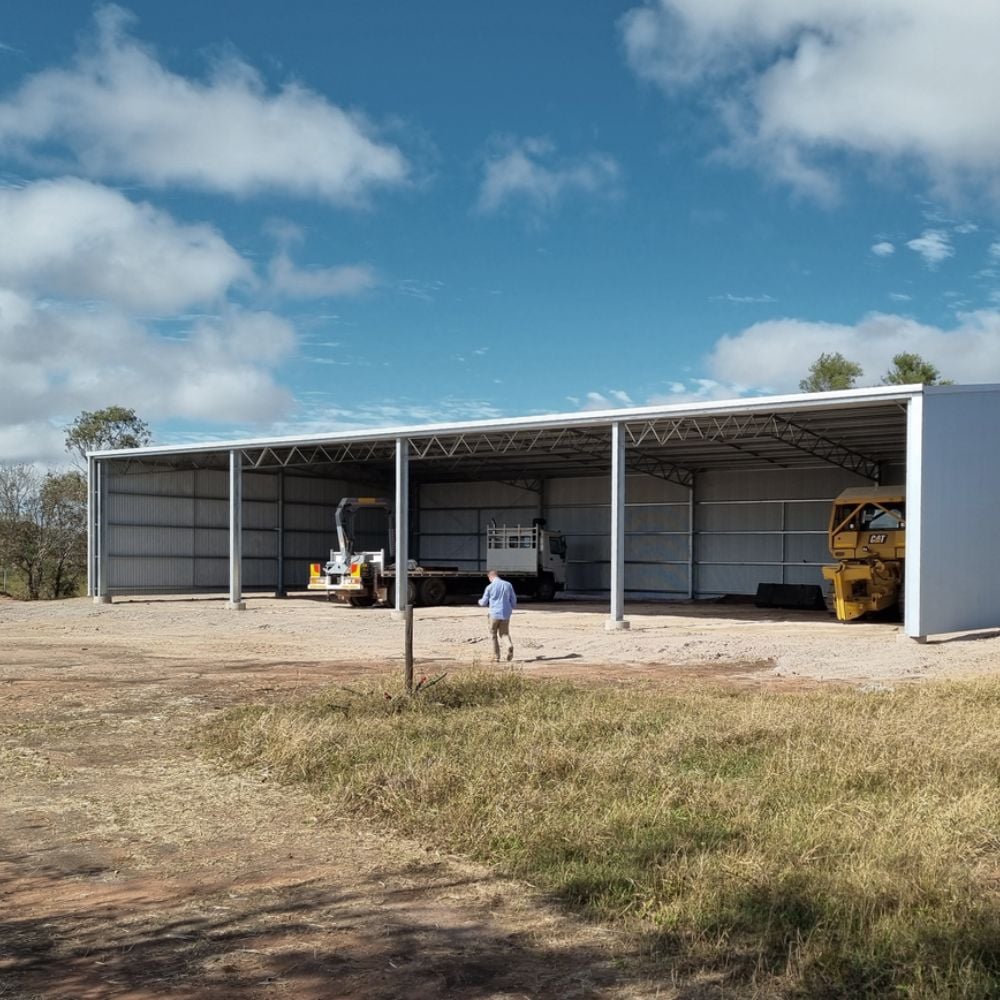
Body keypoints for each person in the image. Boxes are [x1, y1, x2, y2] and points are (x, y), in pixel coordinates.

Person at [478, 569, 517, 662]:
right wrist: (512, 607)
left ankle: (496, 656)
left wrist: (479, 602)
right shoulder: (508, 585)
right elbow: (513, 599)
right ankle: (509, 646)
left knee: (493, 635)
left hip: (494, 614)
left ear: (490, 577)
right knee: (504, 633)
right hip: (506, 614)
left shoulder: (489, 587)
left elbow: (483, 602)